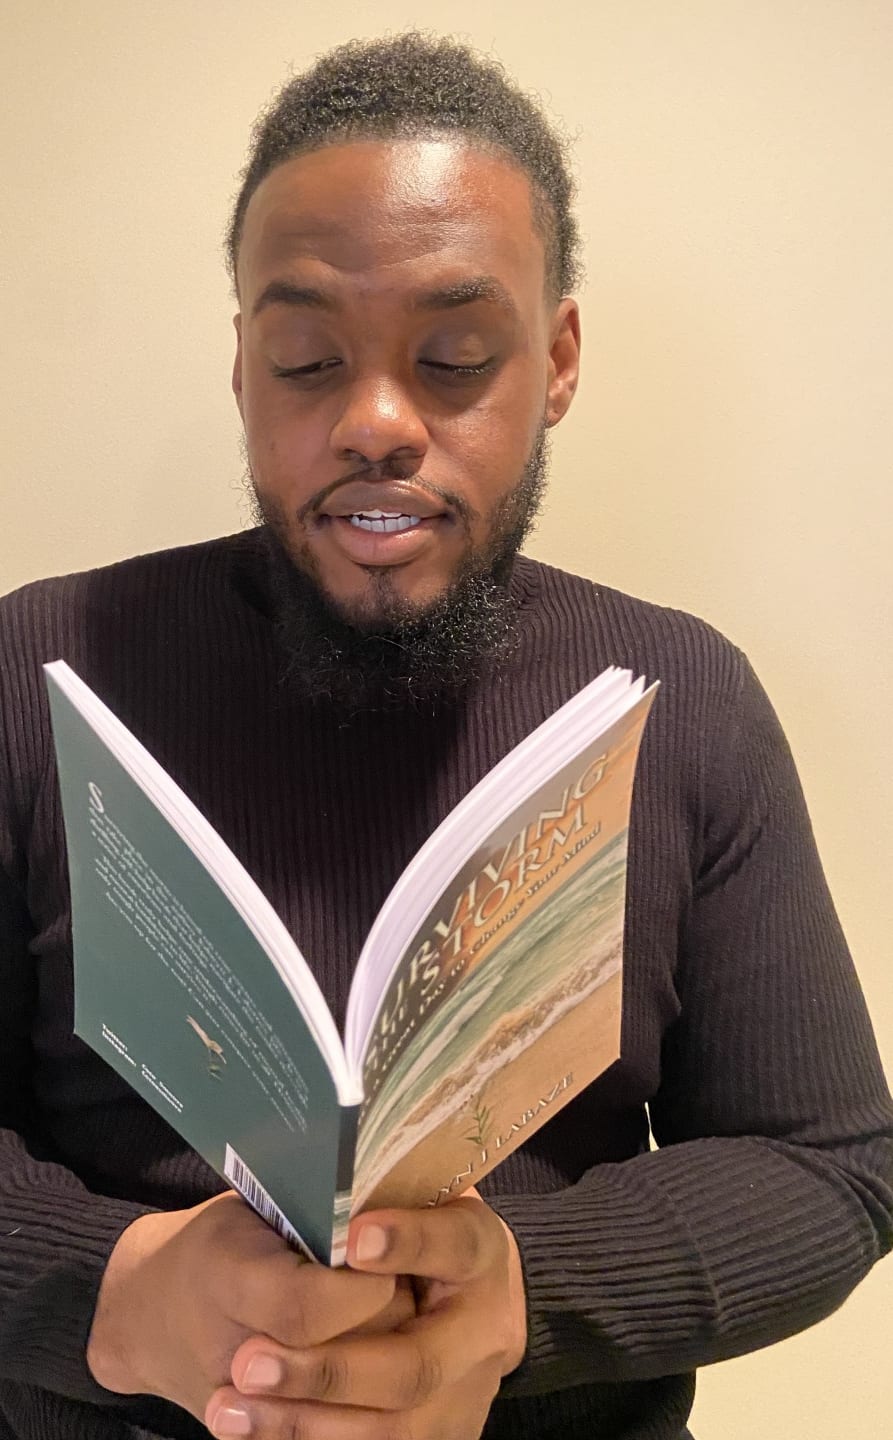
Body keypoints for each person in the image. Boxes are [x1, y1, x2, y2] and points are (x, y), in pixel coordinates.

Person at [0, 30, 890, 1440]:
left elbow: (831, 1163)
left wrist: (515, 1295)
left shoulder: (683, 697)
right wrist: (113, 1291)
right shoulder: (36, 670)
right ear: (241, 366)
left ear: (558, 360)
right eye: (305, 358)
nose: (374, 422)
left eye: (456, 357)